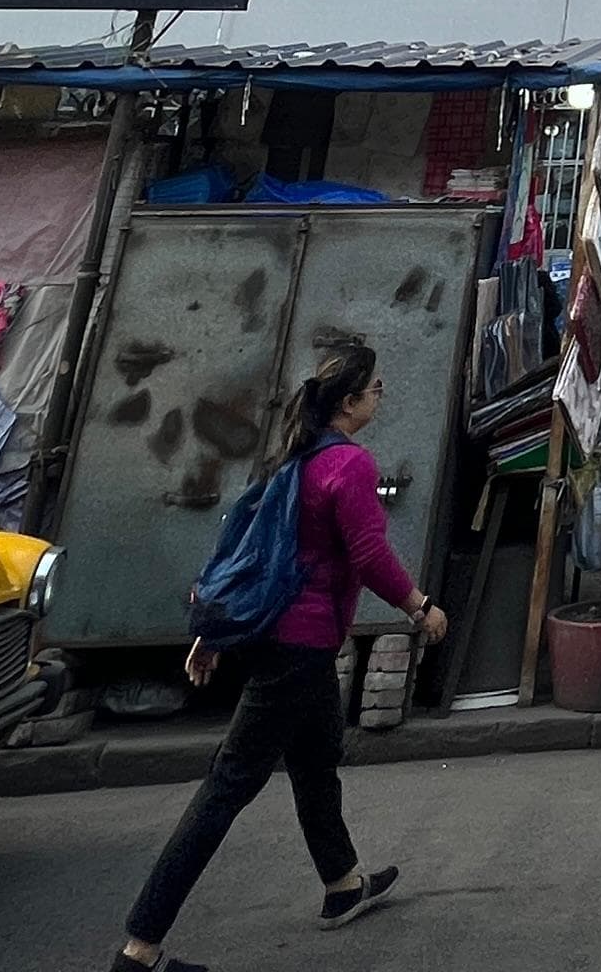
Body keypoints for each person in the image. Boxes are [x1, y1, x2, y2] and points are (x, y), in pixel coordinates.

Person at [114, 342, 441, 970]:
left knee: (317, 762)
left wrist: (215, 634)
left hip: (291, 641)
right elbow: (370, 557)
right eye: (375, 388)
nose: (381, 396)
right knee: (227, 787)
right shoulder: (347, 465)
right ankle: (140, 949)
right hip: (297, 646)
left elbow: (248, 553)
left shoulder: (294, 457)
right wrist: (421, 608)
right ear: (348, 403)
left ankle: (342, 885)